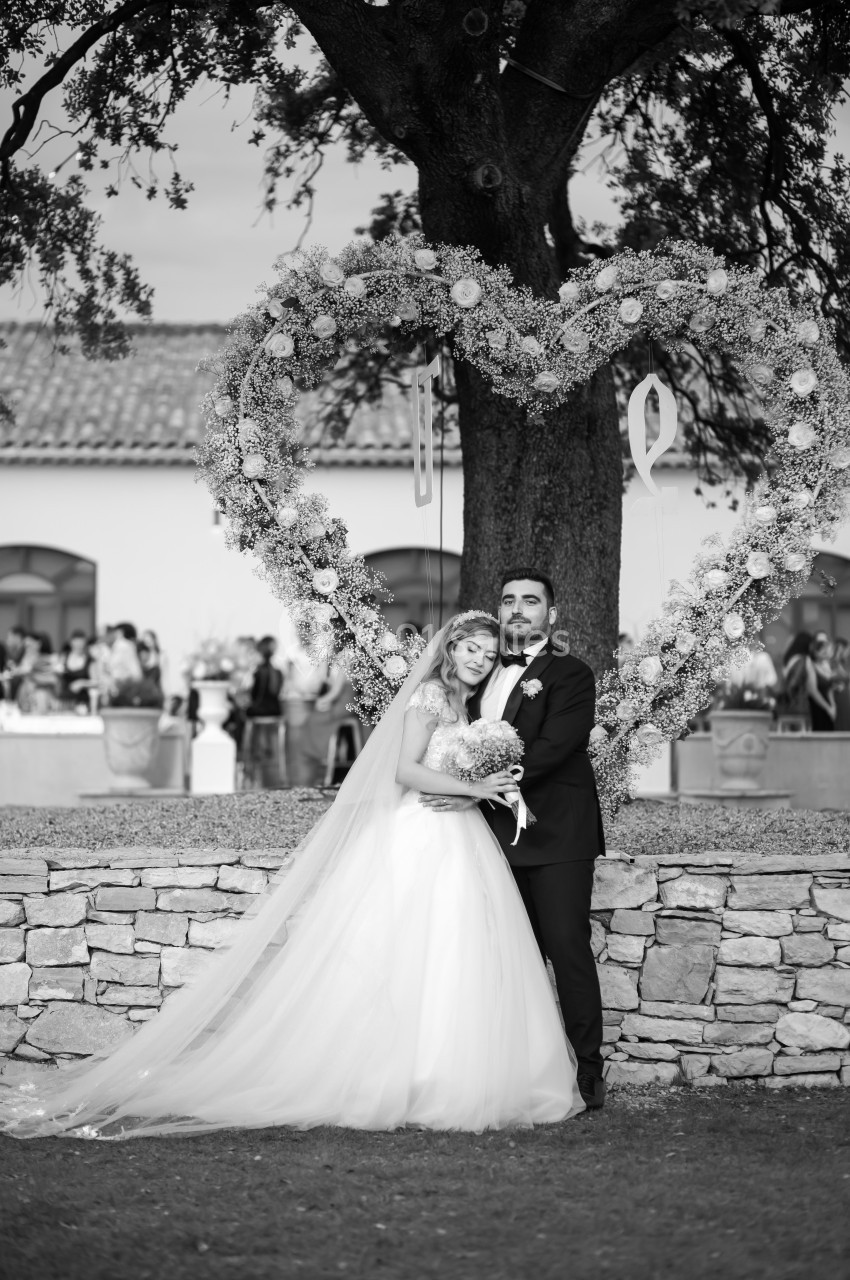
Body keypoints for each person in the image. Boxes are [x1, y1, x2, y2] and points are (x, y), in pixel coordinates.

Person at [0, 612, 582, 1138]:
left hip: (459, 835)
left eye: (488, 652)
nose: (480, 659)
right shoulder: (430, 695)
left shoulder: (469, 710)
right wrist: (473, 788)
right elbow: (405, 769)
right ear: (451, 649)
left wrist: (476, 789)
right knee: (404, 948)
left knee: (457, 948)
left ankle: (454, 1071)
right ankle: (395, 1072)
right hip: (419, 836)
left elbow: (447, 768)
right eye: (472, 650)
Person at [421, 569, 607, 1112]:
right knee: (504, 957)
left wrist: (477, 792)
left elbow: (553, 748)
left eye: (531, 601)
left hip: (558, 835)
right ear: (497, 613)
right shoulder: (475, 679)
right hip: (492, 838)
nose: (518, 610)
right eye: (509, 602)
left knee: (567, 950)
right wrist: (470, 793)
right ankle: (515, 1069)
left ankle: (590, 1070)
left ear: (552, 612)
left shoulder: (572, 674)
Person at [245, 635, 285, 788]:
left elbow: (253, 695)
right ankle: (266, 753)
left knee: (245, 719)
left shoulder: (257, 672)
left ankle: (252, 759)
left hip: (258, 713)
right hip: (275, 712)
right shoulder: (278, 672)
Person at [56, 630, 94, 711]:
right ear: (71, 642)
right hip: (64, 700)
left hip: (82, 702)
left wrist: (82, 683)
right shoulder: (63, 657)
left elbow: (96, 681)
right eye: (76, 642)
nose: (78, 645)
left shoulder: (89, 660)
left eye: (81, 642)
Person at [808, 631, 837, 731]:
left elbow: (829, 688)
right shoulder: (810, 664)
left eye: (825, 645)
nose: (824, 650)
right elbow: (813, 691)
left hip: (829, 707)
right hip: (816, 707)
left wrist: (833, 705)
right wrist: (828, 708)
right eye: (821, 647)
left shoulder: (825, 665)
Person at [833, 637, 850, 732]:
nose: (848, 652)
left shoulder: (843, 663)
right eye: (847, 649)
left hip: (845, 697)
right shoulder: (833, 663)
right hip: (839, 698)